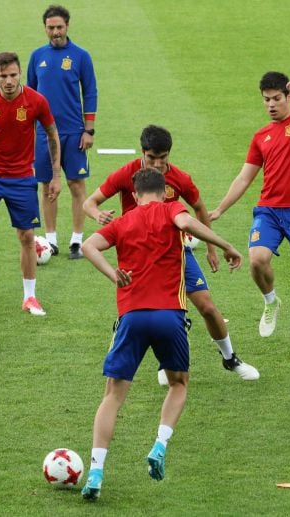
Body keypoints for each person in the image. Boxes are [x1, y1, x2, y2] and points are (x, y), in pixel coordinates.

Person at [80, 167, 243, 501]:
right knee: (178, 384)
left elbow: (88, 246)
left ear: (136, 195)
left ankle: (96, 470)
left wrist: (114, 274)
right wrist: (224, 244)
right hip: (170, 316)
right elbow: (186, 224)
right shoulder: (172, 209)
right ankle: (159, 444)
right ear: (165, 190)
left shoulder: (123, 221)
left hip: (131, 317)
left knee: (113, 395)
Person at [83, 125, 259, 382]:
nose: (156, 164)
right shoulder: (126, 174)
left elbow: (199, 209)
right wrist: (97, 214)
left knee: (207, 306)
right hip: (139, 256)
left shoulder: (179, 179)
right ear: (142, 152)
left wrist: (211, 249)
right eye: (151, 157)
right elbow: (90, 202)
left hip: (175, 255)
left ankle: (230, 358)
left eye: (162, 158)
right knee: (147, 312)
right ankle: (160, 358)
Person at [210, 71, 290, 365]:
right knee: (256, 259)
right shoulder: (261, 136)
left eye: (276, 99)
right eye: (266, 100)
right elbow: (244, 178)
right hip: (268, 210)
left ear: (287, 97)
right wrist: (220, 208)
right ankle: (271, 301)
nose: (271, 105)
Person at [0, 52, 62, 319]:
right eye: (3, 76)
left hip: (21, 178)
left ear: (20, 74)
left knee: (28, 238)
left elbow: (53, 134)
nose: (9, 81)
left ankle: (29, 297)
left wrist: (55, 175)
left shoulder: (36, 101)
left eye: (13, 75)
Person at [27, 5, 98, 259]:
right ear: (45, 28)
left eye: (59, 27)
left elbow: (90, 92)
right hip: (43, 134)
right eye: (50, 28)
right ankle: (51, 240)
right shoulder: (37, 57)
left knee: (76, 184)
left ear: (67, 26)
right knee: (46, 186)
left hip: (73, 133)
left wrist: (88, 130)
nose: (55, 32)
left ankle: (77, 241)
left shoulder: (81, 56)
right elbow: (29, 95)